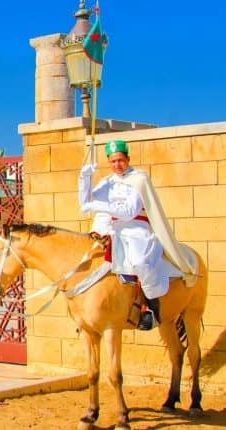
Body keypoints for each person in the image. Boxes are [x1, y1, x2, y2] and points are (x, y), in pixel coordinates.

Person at [79, 140, 195, 330]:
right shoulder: (107, 182)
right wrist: (84, 179)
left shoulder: (138, 179)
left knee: (139, 263)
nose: (117, 165)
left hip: (137, 230)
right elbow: (85, 203)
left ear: (128, 159)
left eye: (120, 160)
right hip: (113, 230)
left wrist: (96, 205)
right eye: (113, 161)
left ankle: (150, 307)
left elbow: (129, 211)